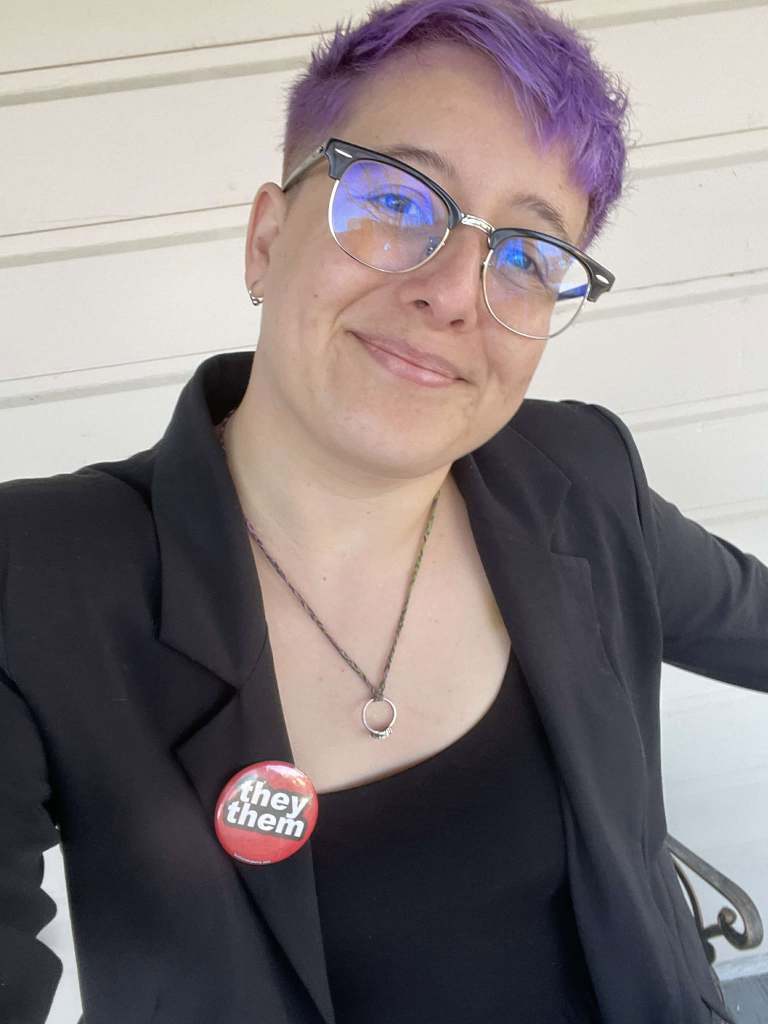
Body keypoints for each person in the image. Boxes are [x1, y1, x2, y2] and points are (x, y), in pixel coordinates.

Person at [0, 0, 765, 1022]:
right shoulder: (41, 574)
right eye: (399, 201)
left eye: (529, 256)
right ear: (267, 238)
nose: (455, 292)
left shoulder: (581, 477)